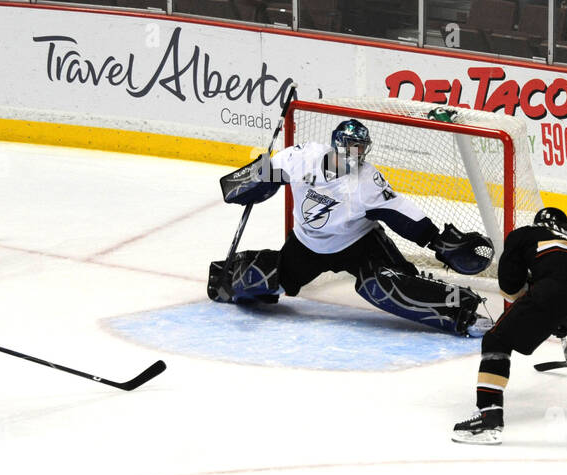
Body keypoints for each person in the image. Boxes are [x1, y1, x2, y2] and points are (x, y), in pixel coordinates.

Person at [208, 119, 492, 336]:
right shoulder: (302, 157)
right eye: (351, 147)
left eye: (361, 148)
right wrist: (251, 184)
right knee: (264, 281)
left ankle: (459, 308)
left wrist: (435, 239)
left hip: (359, 244)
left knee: (388, 286)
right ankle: (231, 270)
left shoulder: (366, 181)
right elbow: (255, 174)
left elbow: (400, 214)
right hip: (308, 244)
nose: (357, 154)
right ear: (336, 144)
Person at [452, 207, 567, 444]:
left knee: (497, 340)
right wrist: (557, 316)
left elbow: (510, 287)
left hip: (556, 289)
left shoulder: (524, 234)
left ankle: (488, 417)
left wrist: (546, 307)